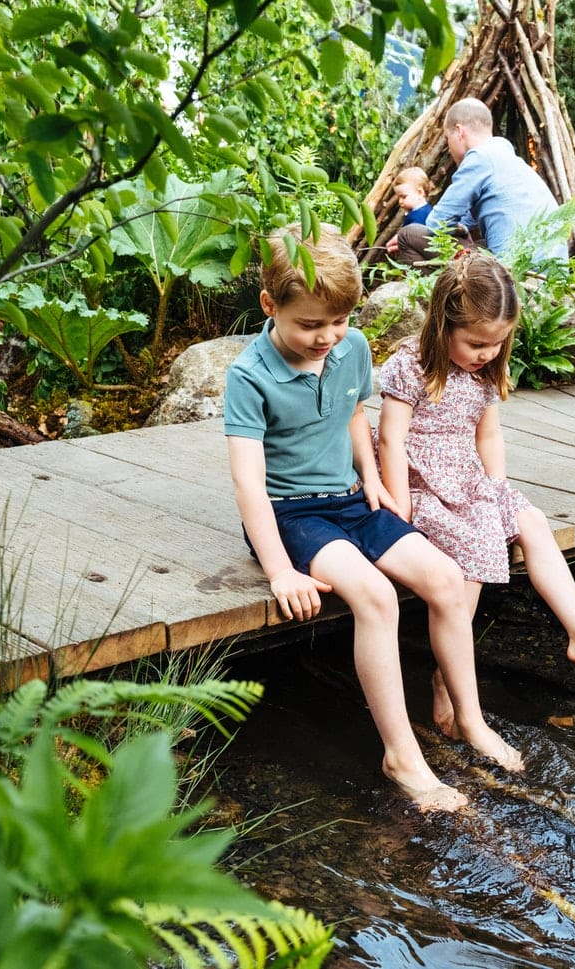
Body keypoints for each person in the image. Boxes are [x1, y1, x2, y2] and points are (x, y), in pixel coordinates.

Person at [224, 224, 523, 814]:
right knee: (377, 598)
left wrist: (379, 482)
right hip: (291, 516)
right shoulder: (249, 376)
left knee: (442, 579)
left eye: (337, 322)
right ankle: (402, 756)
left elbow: (356, 417)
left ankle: (470, 718)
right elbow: (248, 483)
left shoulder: (351, 348)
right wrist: (282, 571)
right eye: (310, 324)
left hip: (353, 499)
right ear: (269, 306)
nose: (326, 338)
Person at [377, 251, 575, 737]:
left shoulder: (483, 371)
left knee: (532, 522)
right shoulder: (410, 366)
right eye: (476, 343)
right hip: (421, 482)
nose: (487, 354)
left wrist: (496, 488)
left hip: (469, 477)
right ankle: (446, 679)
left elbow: (488, 436)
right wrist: (400, 507)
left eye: (497, 344)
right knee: (477, 545)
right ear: (442, 324)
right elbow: (391, 438)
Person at [390, 98, 566, 266]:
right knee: (481, 243)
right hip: (546, 272)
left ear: (459, 131)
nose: (448, 148)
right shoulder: (503, 155)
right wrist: (462, 229)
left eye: (447, 139)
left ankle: (432, 296)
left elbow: (437, 222)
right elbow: (468, 218)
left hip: (513, 273)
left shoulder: (479, 158)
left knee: (408, 234)